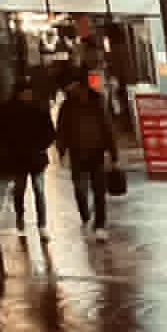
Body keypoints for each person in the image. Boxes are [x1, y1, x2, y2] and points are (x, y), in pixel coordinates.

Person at [55, 75, 119, 237]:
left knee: (99, 191)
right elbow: (61, 130)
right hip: (77, 153)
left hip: (96, 151)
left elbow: (107, 127)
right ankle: (85, 214)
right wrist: (61, 151)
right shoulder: (67, 106)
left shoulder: (98, 103)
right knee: (79, 189)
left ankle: (100, 225)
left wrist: (113, 154)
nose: (77, 90)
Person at [0, 79, 56, 238]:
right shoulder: (9, 110)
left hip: (35, 157)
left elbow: (50, 132)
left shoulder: (39, 109)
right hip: (18, 158)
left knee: (39, 190)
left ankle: (42, 225)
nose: (27, 95)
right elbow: (2, 134)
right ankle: (20, 220)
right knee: (19, 191)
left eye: (29, 92)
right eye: (24, 93)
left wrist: (41, 145)